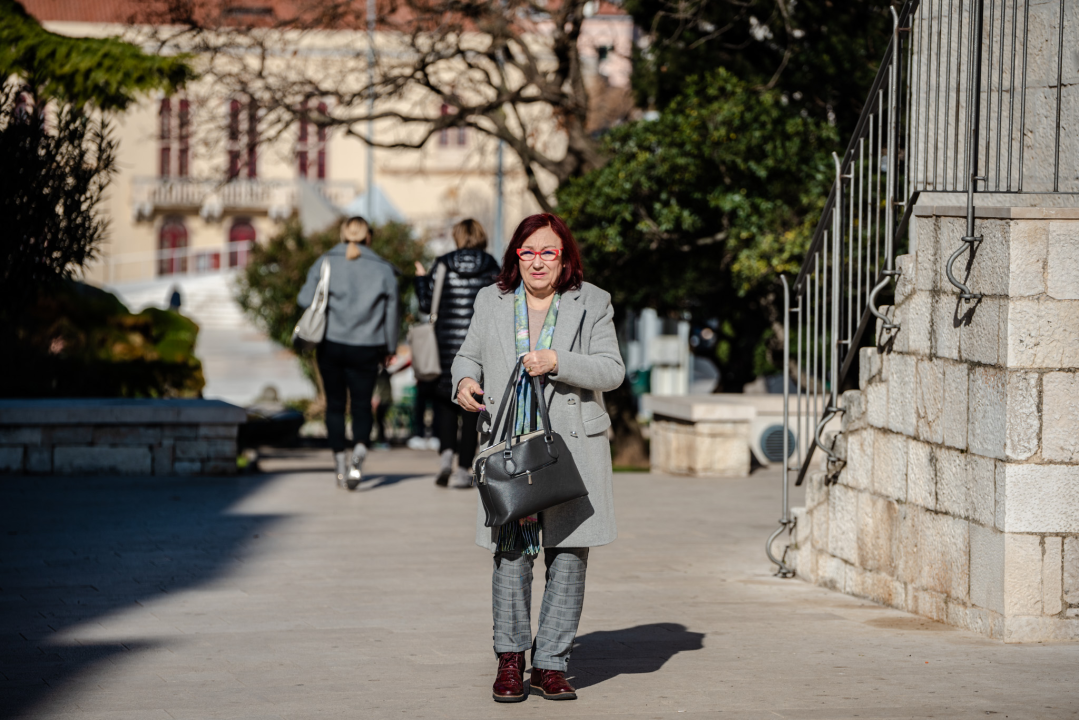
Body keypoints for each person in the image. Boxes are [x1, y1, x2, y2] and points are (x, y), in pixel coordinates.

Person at [451, 213, 624, 703]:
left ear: (565, 257)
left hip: (573, 448)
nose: (538, 262)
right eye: (528, 252)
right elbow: (468, 356)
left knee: (568, 557)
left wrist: (558, 361)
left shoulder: (592, 302)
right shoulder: (492, 300)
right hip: (511, 449)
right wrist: (463, 382)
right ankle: (510, 661)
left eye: (548, 252)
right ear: (516, 258)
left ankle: (551, 664)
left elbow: (612, 371)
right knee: (512, 555)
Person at [298, 216, 398, 490]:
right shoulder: (382, 268)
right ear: (368, 237)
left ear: (343, 234)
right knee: (362, 404)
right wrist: (390, 346)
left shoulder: (325, 261)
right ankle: (359, 456)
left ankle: (340, 464)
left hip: (330, 342)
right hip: (368, 345)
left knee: (335, 405)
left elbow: (304, 299)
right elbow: (391, 313)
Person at [414, 218, 499, 488]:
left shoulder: (442, 263)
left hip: (444, 347)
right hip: (478, 347)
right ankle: (463, 470)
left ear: (457, 237)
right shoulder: (491, 265)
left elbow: (428, 304)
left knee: (445, 405)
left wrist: (420, 280)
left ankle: (445, 458)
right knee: (472, 407)